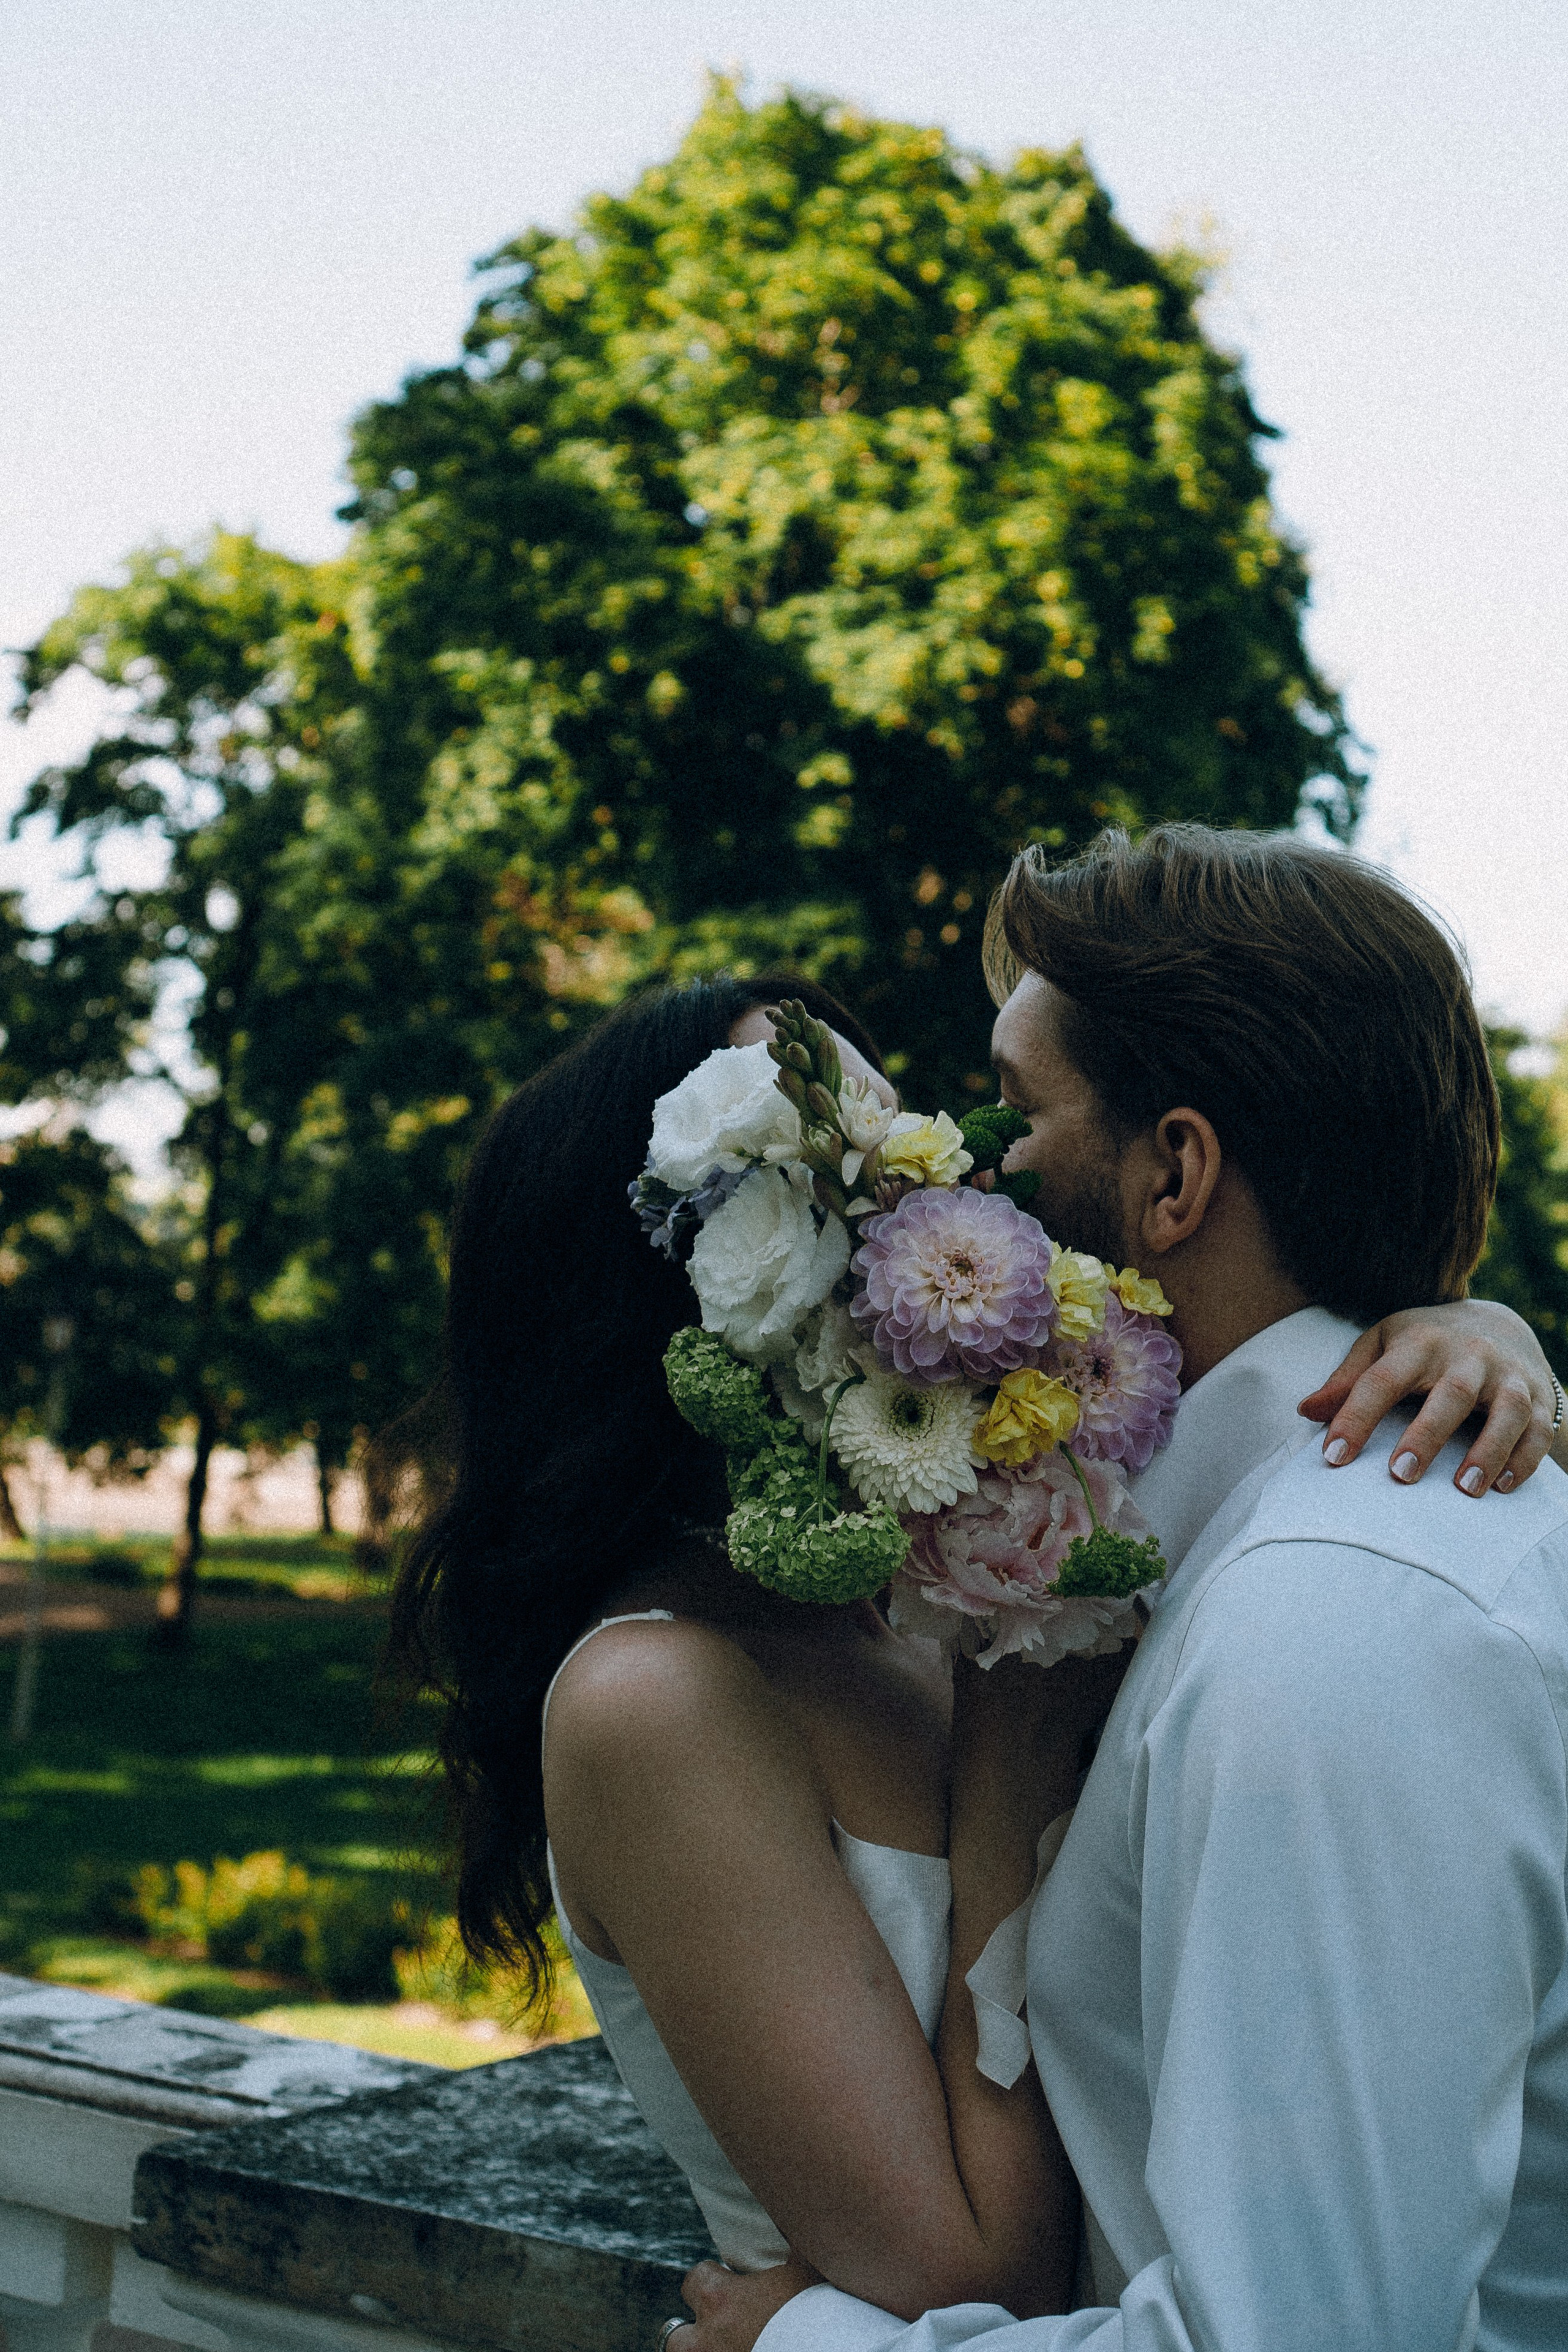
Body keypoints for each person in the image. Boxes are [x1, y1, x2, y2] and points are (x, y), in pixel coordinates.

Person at [386, 957, 1564, 2329]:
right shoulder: (655, 1699)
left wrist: (1468, 1329)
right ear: (675, 1267)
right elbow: (972, 2274)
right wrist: (1008, 1764)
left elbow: (1243, 1414)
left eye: (896, 1152)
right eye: (828, 1173)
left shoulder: (932, 1578)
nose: (918, 1206)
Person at [679, 829, 1568, 2352]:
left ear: (1172, 1173)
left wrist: (809, 2347)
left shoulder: (1329, 1630)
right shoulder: (1237, 1553)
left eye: (1018, 1113)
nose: (968, 1172)